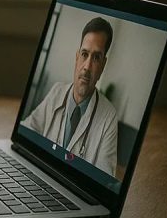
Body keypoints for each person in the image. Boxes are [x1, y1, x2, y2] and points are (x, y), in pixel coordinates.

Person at [20, 17, 119, 176]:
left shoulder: (109, 116)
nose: (87, 66)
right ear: (77, 57)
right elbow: (26, 131)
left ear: (103, 65)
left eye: (96, 57)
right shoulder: (57, 92)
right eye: (84, 54)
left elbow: (104, 177)